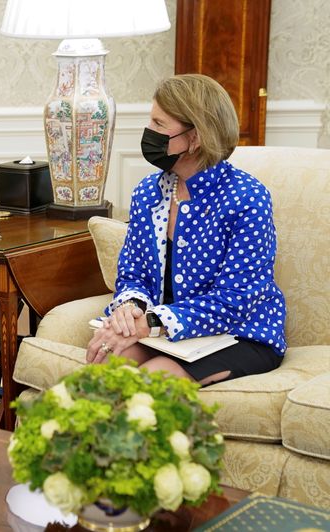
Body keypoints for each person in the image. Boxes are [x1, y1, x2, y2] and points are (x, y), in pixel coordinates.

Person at [86, 74, 286, 386]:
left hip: (240, 334)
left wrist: (151, 323)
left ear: (195, 137)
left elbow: (234, 301)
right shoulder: (148, 193)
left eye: (158, 124)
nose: (148, 132)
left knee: (152, 381)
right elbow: (133, 273)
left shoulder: (247, 198)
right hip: (165, 334)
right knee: (108, 366)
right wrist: (130, 309)